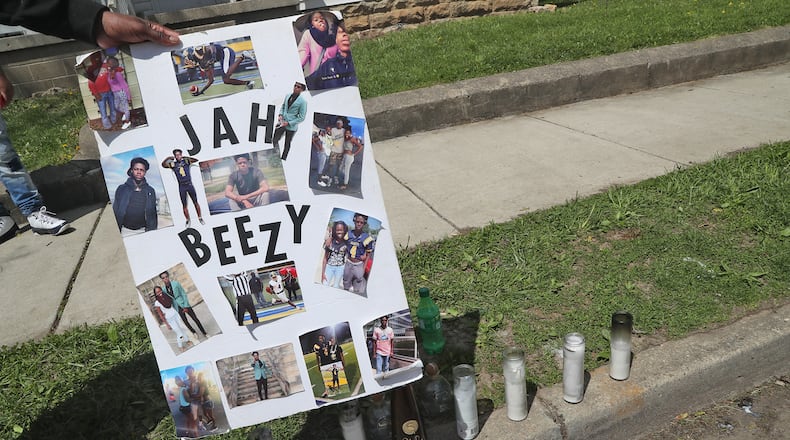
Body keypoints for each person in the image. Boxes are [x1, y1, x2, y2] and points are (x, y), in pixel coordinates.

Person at [0, 0, 180, 242]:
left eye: (140, 169)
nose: (138, 172)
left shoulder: (146, 187)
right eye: (137, 169)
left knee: (4, 156)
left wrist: (95, 22)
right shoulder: (128, 187)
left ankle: (31, 212)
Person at [187, 43, 255, 96]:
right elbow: (211, 80)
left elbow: (212, 47)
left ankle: (242, 56)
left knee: (226, 74)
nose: (189, 63)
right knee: (226, 80)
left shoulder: (198, 51)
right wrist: (202, 91)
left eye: (188, 60)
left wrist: (213, 56)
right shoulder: (202, 65)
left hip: (225, 51)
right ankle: (248, 83)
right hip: (222, 57)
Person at [113, 157, 158, 236]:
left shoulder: (150, 191)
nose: (139, 172)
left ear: (145, 172)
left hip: (143, 230)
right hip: (124, 230)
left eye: (142, 170)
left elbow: (153, 213)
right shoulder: (122, 189)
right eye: (136, 169)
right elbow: (115, 210)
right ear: (131, 170)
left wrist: (152, 232)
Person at [305, 23, 356, 90]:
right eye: (340, 32)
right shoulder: (328, 65)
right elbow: (307, 84)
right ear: (336, 39)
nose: (344, 35)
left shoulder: (359, 61)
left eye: (347, 32)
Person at [161, 149, 205, 227]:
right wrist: (168, 158)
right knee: (184, 205)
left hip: (189, 184)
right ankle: (187, 220)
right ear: (174, 156)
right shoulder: (173, 164)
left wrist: (184, 157)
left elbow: (195, 160)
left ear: (181, 155)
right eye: (176, 155)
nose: (178, 156)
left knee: (195, 202)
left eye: (179, 154)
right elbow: (163, 165)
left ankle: (200, 217)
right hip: (182, 186)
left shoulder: (186, 161)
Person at [160, 271, 208, 337]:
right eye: (163, 278)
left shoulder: (176, 283)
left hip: (184, 303)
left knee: (195, 319)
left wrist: (185, 305)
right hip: (177, 307)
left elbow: (183, 294)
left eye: (166, 277)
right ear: (162, 279)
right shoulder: (163, 290)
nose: (165, 279)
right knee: (185, 322)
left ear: (168, 277)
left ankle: (204, 332)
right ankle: (194, 332)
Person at [272, 82, 307, 160]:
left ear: (302, 90)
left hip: (291, 126)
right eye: (295, 86)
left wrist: (289, 123)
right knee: (275, 139)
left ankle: (283, 158)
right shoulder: (288, 95)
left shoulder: (303, 102)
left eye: (298, 87)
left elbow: (301, 117)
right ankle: (275, 154)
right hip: (281, 122)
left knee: (287, 143)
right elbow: (283, 106)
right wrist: (280, 115)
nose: (295, 88)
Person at [297, 11, 337, 76]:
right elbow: (303, 53)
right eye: (316, 20)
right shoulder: (308, 34)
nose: (320, 21)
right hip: (319, 76)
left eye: (322, 18)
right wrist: (298, 68)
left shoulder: (333, 36)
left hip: (335, 75)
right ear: (312, 24)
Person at [344, 213, 375, 294]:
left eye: (361, 222)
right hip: (348, 263)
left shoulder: (367, 238)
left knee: (357, 287)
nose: (359, 224)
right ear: (354, 221)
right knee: (345, 283)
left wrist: (363, 269)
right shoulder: (348, 234)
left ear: (364, 223)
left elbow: (368, 255)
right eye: (357, 221)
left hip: (359, 265)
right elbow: (342, 244)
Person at [152, 286, 189, 352]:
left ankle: (187, 341)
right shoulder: (157, 303)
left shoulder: (167, 296)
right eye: (157, 292)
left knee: (182, 328)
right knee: (179, 333)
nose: (159, 293)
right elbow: (160, 314)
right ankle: (180, 347)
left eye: (160, 291)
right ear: (155, 294)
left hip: (175, 314)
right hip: (169, 318)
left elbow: (173, 303)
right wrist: (167, 324)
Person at [87, 58, 116, 129]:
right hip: (100, 94)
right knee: (103, 110)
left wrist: (113, 74)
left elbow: (112, 74)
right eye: (94, 58)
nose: (96, 59)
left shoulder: (106, 65)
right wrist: (96, 94)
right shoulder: (90, 69)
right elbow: (90, 83)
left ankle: (114, 120)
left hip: (110, 91)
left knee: (113, 107)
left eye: (98, 57)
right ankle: (107, 125)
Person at [106, 56, 132, 129]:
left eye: (108, 63)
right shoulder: (109, 73)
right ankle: (125, 113)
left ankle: (127, 122)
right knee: (115, 106)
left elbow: (125, 85)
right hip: (115, 93)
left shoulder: (118, 74)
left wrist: (129, 96)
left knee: (125, 107)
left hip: (121, 92)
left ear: (113, 64)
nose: (107, 65)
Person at [322, 220, 348, 288]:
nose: (339, 232)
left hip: (340, 267)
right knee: (325, 284)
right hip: (329, 267)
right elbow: (325, 259)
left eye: (341, 230)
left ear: (344, 230)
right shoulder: (330, 242)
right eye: (337, 230)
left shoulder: (347, 242)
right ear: (334, 231)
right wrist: (322, 274)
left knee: (336, 286)